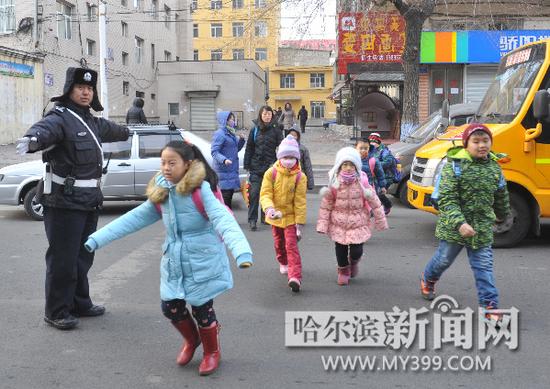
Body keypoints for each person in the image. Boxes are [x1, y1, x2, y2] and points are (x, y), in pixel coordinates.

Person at [84, 140, 253, 376]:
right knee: (170, 307)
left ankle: (211, 352)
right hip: (174, 260)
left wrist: (241, 251)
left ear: (187, 164)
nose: (165, 167)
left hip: (202, 260)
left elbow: (223, 219)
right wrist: (97, 239)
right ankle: (192, 340)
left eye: (172, 163)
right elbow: (133, 218)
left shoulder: (200, 190)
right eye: (163, 162)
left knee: (202, 309)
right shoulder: (162, 191)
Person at [15, 67, 130, 330]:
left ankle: (80, 302)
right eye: (80, 87)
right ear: (69, 90)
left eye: (89, 88)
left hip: (89, 200)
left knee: (83, 257)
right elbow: (45, 130)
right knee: (63, 259)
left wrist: (131, 132)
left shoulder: (91, 121)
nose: (86, 91)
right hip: (64, 203)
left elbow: (113, 130)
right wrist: (33, 140)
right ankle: (56, 311)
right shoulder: (60, 118)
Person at [419, 124, 510, 322]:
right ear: (466, 144)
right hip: (454, 227)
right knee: (443, 260)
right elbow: (447, 199)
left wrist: (503, 214)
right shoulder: (455, 166)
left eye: (485, 141)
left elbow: (501, 193)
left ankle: (490, 306)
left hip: (481, 228)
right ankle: (428, 278)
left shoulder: (495, 167)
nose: (481, 145)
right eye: (476, 141)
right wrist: (460, 223)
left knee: (484, 268)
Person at [317, 147, 388, 285]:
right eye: (345, 164)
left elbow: (374, 201)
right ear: (339, 166)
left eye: (351, 165)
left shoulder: (362, 182)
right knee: (340, 250)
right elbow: (326, 205)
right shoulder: (334, 183)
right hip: (339, 222)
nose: (348, 168)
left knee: (357, 251)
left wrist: (381, 219)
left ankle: (353, 262)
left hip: (358, 222)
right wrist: (322, 224)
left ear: (356, 166)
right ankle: (343, 271)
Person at [260, 135, 307, 292]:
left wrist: (299, 225)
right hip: (275, 216)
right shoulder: (270, 173)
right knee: (279, 243)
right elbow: (265, 194)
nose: (288, 160)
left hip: (291, 218)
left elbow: (300, 201)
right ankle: (282, 261)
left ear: (296, 158)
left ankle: (295, 277)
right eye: (285, 157)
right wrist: (269, 209)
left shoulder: (301, 177)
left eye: (291, 157)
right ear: (280, 157)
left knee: (291, 246)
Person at [244, 106, 284, 231]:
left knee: (267, 193)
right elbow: (249, 147)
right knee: (254, 193)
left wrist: (280, 163)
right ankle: (252, 220)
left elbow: (282, 147)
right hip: (255, 166)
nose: (267, 116)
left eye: (269, 114)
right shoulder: (254, 129)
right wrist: (247, 165)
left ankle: (265, 217)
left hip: (270, 166)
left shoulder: (276, 129)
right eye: (265, 114)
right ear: (261, 115)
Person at [211, 111, 246, 209]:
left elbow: (235, 150)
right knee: (225, 202)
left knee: (228, 199)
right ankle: (225, 222)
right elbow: (214, 152)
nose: (233, 121)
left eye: (233, 119)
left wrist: (242, 141)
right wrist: (224, 160)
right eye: (231, 119)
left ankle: (228, 221)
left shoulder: (231, 133)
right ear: (224, 121)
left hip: (231, 171)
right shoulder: (220, 134)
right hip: (223, 172)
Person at [367, 132, 394, 215]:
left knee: (379, 194)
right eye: (370, 142)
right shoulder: (370, 150)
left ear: (378, 142)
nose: (372, 144)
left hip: (386, 176)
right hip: (375, 177)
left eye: (374, 142)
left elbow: (388, 162)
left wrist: (375, 164)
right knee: (375, 193)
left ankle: (387, 205)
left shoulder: (384, 151)